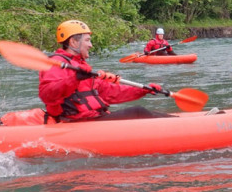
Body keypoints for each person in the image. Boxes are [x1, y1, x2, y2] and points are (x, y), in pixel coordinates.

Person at [39, 20, 170, 122]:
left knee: (148, 113)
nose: (90, 45)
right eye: (87, 40)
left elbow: (110, 92)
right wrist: (74, 78)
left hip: (95, 117)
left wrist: (143, 91)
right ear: (73, 42)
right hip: (77, 122)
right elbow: (47, 95)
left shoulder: (81, 66)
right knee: (138, 112)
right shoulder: (58, 64)